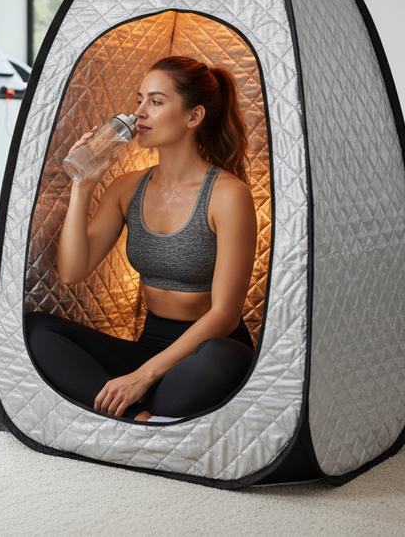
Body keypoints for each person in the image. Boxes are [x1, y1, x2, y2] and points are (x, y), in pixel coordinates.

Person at [25, 55, 257, 422]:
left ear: (194, 116)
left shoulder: (228, 194)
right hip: (149, 347)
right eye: (139, 100)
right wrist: (82, 185)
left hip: (207, 351)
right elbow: (71, 271)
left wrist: (143, 376)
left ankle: (134, 407)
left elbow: (225, 315)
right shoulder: (127, 187)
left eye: (156, 101)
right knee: (37, 329)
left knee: (224, 357)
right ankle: (140, 418)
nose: (139, 113)